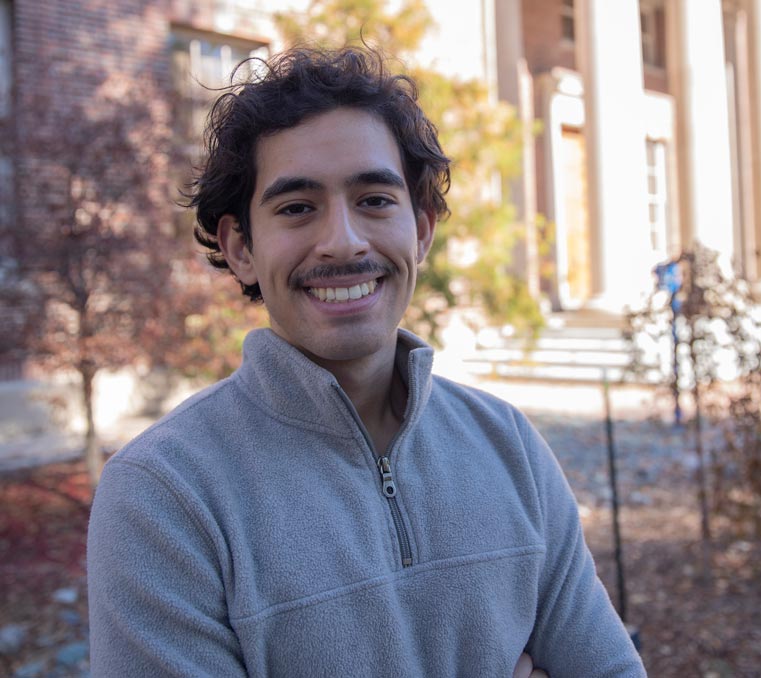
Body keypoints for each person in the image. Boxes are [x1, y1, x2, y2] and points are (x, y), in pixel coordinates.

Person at [87, 46, 646, 677]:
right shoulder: (164, 495)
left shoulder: (508, 445)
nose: (344, 241)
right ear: (239, 247)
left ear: (422, 231)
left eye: (375, 199)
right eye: (297, 208)